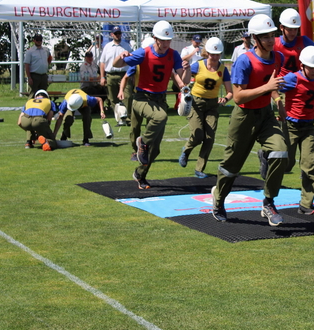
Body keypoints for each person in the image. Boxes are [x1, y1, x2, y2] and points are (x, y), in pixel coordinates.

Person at [210, 14, 288, 226]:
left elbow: (272, 85)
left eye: (272, 34)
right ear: (255, 38)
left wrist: (278, 100)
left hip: (266, 114)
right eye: (265, 36)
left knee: (281, 151)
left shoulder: (278, 57)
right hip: (243, 117)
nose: (271, 39)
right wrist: (267, 88)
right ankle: (218, 200)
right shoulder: (244, 61)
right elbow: (238, 96)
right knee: (231, 167)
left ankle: (268, 202)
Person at [113, 20, 191, 190]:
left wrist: (187, 69)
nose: (166, 43)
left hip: (159, 100)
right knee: (159, 118)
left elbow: (182, 83)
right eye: (163, 40)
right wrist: (121, 57)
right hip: (141, 98)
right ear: (155, 38)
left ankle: (140, 174)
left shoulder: (173, 55)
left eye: (168, 40)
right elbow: (116, 65)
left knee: (155, 150)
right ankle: (142, 143)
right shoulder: (144, 52)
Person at [262, 8, 314, 179]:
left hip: (302, 84)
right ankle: (267, 154)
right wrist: (277, 99)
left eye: (295, 28)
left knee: (306, 124)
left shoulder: (305, 41)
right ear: (281, 28)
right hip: (282, 88)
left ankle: (308, 168)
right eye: (289, 28)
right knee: (286, 141)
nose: (293, 32)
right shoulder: (275, 43)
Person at [278, 46, 314, 214]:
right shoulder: (292, 78)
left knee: (309, 164)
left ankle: (306, 204)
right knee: (287, 164)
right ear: (302, 66)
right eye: (311, 67)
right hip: (291, 126)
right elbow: (273, 89)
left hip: (308, 127)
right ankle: (266, 157)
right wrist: (278, 108)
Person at [179, 37, 233, 178]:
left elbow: (230, 92)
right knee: (197, 135)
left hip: (213, 105)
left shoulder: (223, 69)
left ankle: (199, 169)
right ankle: (186, 150)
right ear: (207, 53)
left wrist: (225, 99)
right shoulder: (198, 65)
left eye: (217, 54)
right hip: (196, 103)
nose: (215, 57)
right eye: (212, 54)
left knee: (209, 138)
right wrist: (186, 70)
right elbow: (185, 82)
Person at [99, 26, 133, 125]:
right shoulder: (107, 47)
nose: (118, 35)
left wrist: (133, 75)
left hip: (124, 74)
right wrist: (102, 77)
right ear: (112, 35)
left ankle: (129, 118)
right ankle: (119, 119)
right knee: (113, 98)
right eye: (116, 33)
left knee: (128, 96)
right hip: (110, 75)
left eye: (119, 33)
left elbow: (132, 62)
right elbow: (102, 63)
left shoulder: (127, 46)